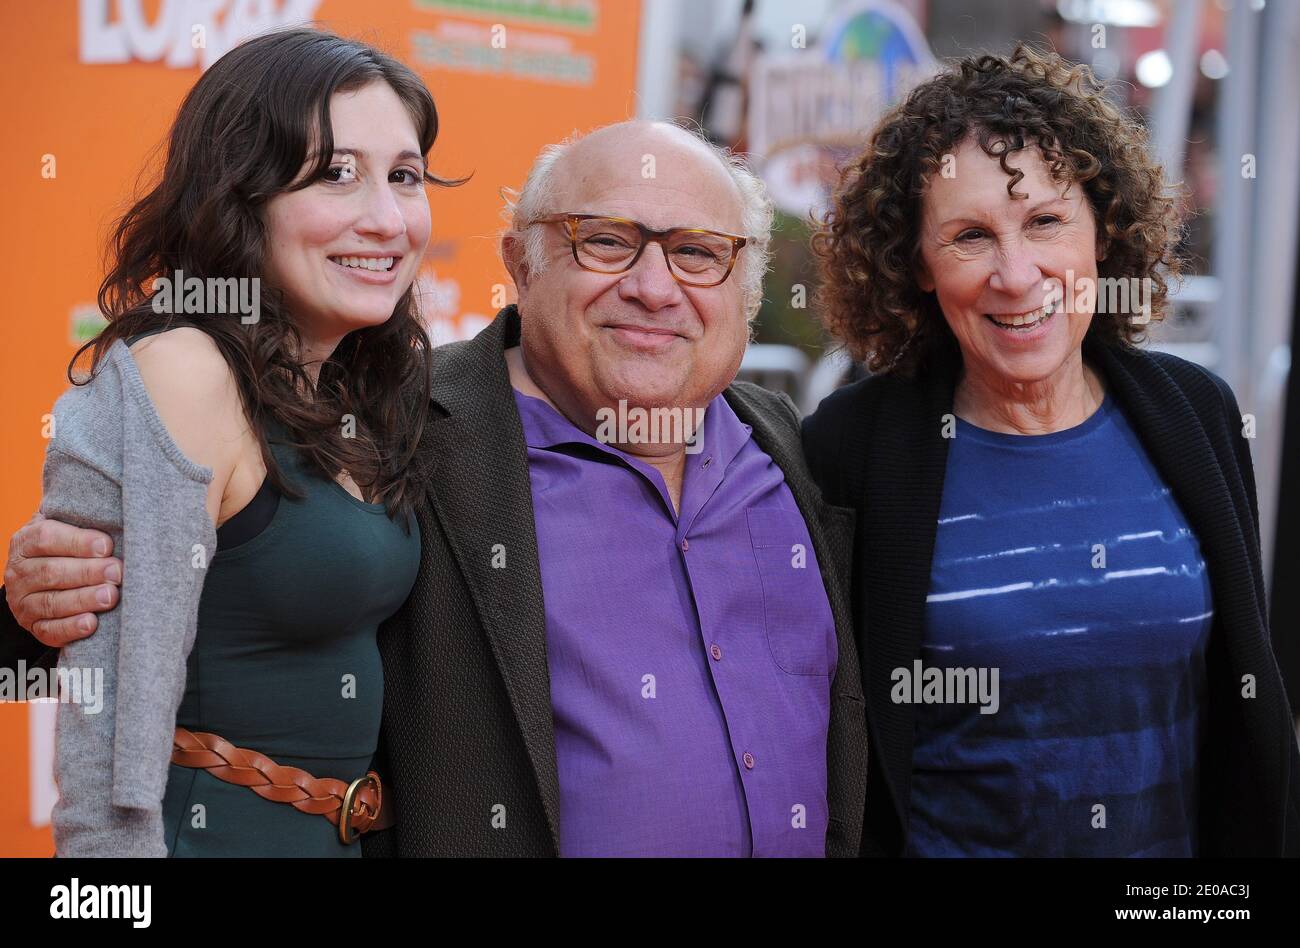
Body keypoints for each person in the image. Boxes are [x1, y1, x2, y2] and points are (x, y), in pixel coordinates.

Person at [5, 120, 869, 857]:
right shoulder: (388, 428)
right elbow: (218, 610)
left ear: (746, 289)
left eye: (697, 254)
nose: (652, 287)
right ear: (521, 264)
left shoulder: (792, 447)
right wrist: (38, 608)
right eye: (604, 239)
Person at [803, 45, 1300, 856]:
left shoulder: (1194, 415)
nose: (1017, 273)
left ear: (1101, 232)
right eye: (969, 236)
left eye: (1044, 221)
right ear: (916, 265)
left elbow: (1249, 710)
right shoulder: (854, 449)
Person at [0, 27, 456, 856]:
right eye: (336, 175)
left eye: (404, 177)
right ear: (241, 195)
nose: (387, 219)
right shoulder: (186, 372)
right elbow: (104, 735)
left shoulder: (371, 385)